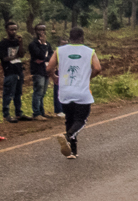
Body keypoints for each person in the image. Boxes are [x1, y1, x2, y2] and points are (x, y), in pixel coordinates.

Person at [45, 27, 102, 159]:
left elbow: (49, 68)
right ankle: (67, 136)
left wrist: (54, 77)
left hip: (65, 92)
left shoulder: (59, 50)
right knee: (80, 120)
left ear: (70, 37)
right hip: (82, 93)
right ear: (82, 37)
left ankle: (72, 151)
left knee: (69, 119)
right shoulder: (89, 51)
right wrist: (88, 77)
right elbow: (98, 68)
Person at [0, 20, 28, 122]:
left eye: (15, 29)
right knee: (8, 93)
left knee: (18, 93)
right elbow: (3, 58)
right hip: (9, 71)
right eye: (11, 29)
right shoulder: (2, 43)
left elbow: (22, 54)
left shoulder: (16, 41)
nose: (13, 31)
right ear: (7, 30)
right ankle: (6, 115)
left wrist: (21, 42)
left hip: (18, 70)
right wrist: (14, 56)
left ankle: (18, 113)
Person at [27, 23, 54, 120]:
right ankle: (36, 113)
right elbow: (40, 55)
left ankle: (42, 112)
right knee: (38, 91)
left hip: (45, 69)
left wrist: (45, 58)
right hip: (38, 70)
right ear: (36, 31)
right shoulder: (33, 44)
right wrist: (42, 45)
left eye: (43, 30)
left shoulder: (48, 44)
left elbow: (51, 55)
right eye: (39, 30)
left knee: (43, 92)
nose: (42, 32)